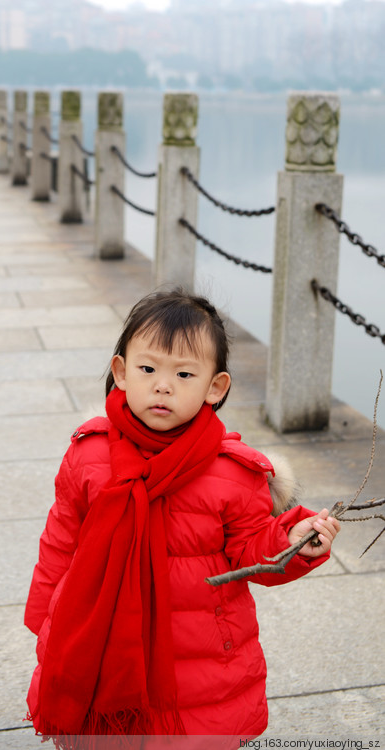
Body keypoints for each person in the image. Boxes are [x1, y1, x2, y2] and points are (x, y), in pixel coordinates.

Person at [24, 288, 340, 749]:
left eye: (184, 373)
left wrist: (291, 540)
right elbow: (60, 542)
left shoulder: (233, 472)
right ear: (121, 373)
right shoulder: (89, 455)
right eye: (147, 369)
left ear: (215, 387)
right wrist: (47, 623)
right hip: (98, 642)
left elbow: (250, 547)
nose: (162, 385)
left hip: (198, 661)